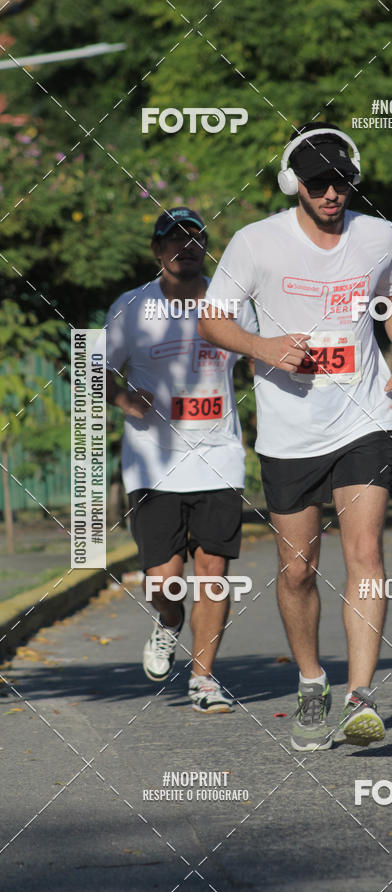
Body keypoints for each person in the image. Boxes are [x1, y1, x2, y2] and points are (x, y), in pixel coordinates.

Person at [198, 123, 392, 750]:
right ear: (292, 182)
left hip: (363, 417)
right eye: (319, 182)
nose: (332, 193)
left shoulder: (378, 236)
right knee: (297, 570)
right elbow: (212, 321)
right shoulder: (256, 242)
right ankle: (310, 682)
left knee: (366, 553)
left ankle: (360, 697)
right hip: (289, 430)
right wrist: (262, 345)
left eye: (342, 181)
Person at [105, 206, 257, 712]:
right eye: (174, 238)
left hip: (219, 456)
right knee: (164, 580)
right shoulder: (132, 307)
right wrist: (124, 398)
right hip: (153, 462)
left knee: (213, 570)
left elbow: (258, 359)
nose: (186, 246)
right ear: (157, 250)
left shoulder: (228, 304)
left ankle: (203, 679)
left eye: (195, 238)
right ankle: (169, 621)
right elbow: (94, 368)